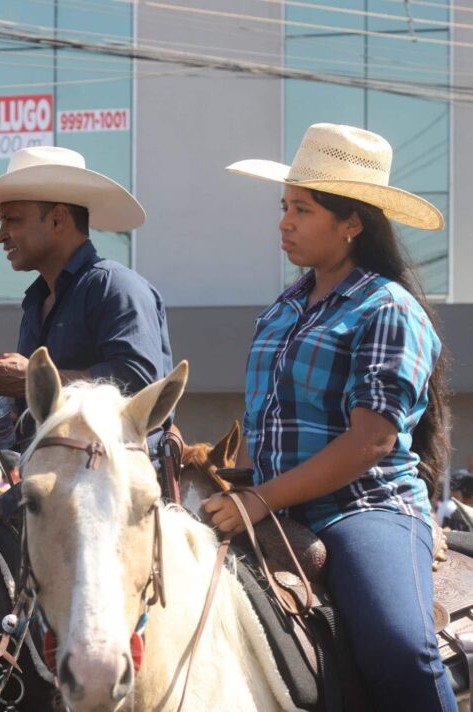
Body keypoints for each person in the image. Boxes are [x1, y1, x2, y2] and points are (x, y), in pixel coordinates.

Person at [205, 123, 456, 711]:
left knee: (400, 646)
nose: (284, 222)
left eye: (303, 209)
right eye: (284, 206)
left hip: (363, 508)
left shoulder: (389, 308)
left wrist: (259, 501)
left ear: (352, 223)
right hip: (271, 500)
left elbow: (370, 441)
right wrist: (233, 486)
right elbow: (265, 422)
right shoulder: (283, 308)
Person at [0, 146, 173, 453]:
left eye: (11, 220)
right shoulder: (37, 303)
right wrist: (7, 422)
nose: (0, 235)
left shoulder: (116, 287)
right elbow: (44, 414)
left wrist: (35, 380)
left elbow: (140, 386)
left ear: (58, 219)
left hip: (116, 490)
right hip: (56, 484)